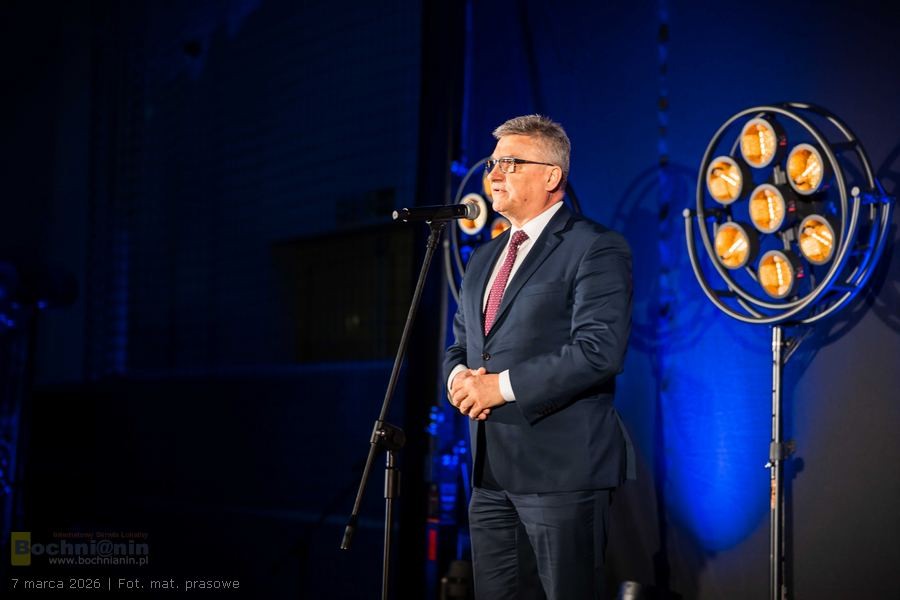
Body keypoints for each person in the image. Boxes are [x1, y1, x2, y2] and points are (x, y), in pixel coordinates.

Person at [444, 114, 634, 600]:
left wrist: (499, 386)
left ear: (552, 176)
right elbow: (461, 343)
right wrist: (458, 380)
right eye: (492, 163)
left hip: (561, 473)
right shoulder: (483, 257)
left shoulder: (595, 247)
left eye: (510, 162)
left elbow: (598, 351)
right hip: (489, 472)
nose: (494, 173)